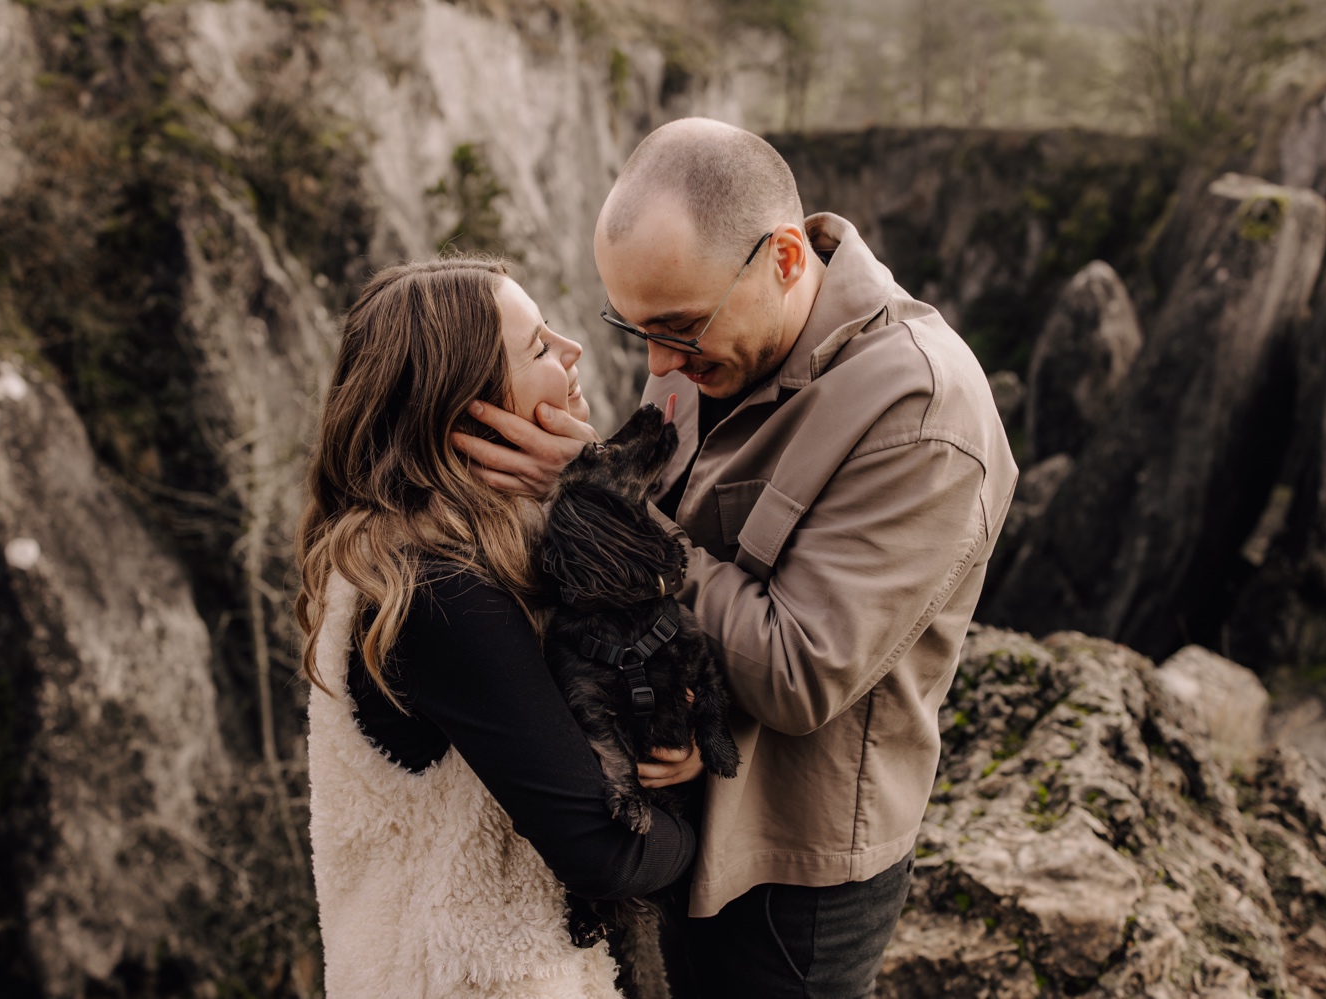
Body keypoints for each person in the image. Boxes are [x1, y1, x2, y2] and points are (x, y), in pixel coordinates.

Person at [458, 118, 1019, 998]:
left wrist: (600, 503)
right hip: (667, 815)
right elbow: (664, 544)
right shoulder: (702, 347)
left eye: (678, 329)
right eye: (635, 328)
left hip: (793, 879)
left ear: (786, 260)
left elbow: (799, 671)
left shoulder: (924, 414)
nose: (658, 363)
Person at [294, 257, 700, 999]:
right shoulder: (438, 594)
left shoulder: (405, 555)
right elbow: (605, 851)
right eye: (540, 347)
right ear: (466, 408)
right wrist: (695, 827)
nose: (573, 349)